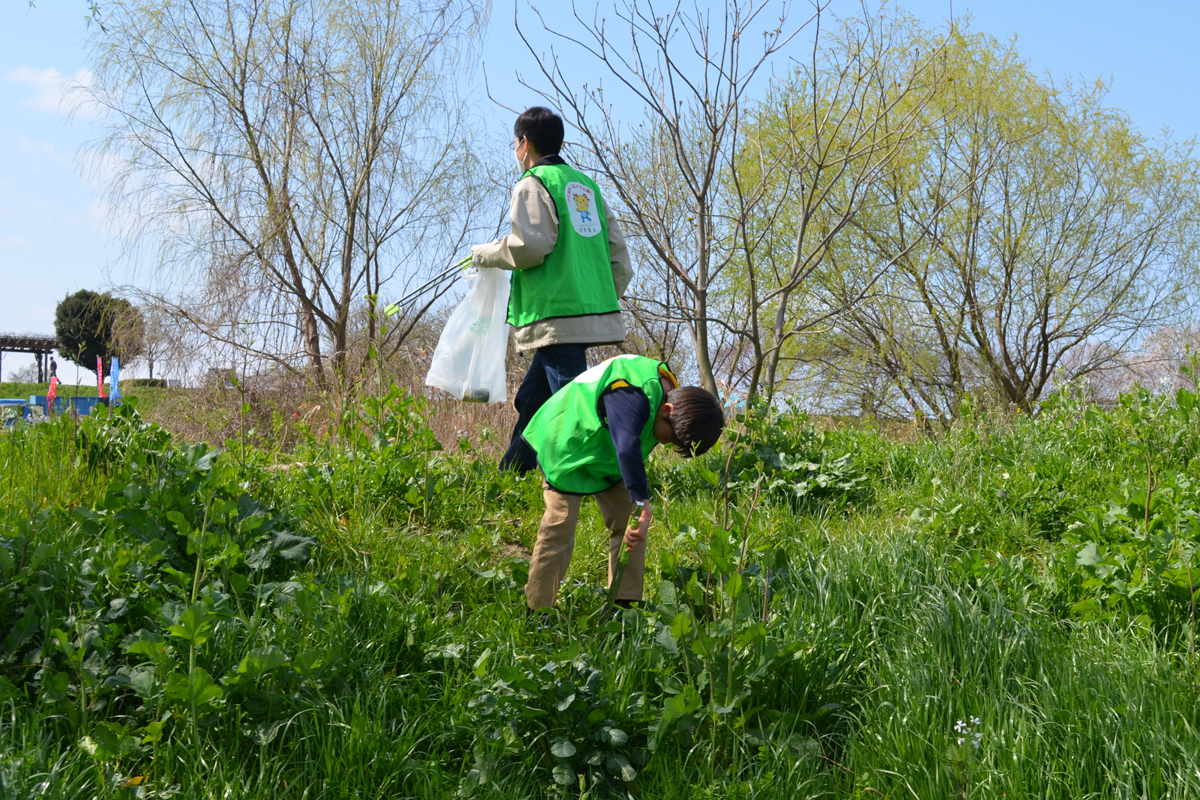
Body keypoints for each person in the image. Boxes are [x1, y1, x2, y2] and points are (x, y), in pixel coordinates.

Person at [471, 107, 633, 474]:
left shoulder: (532, 183)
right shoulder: (586, 187)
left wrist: (487, 253)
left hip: (554, 316)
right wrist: (596, 300)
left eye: (514, 143)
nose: (515, 150)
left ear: (524, 143)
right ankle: (512, 473)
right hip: (585, 313)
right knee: (532, 399)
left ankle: (600, 475)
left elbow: (530, 247)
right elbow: (620, 259)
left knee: (573, 405)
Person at [520, 354, 724, 612]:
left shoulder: (667, 393)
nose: (664, 443)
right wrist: (643, 502)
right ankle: (538, 609)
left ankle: (624, 605)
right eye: (670, 437)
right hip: (567, 443)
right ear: (667, 410)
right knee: (560, 525)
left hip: (607, 456)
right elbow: (627, 445)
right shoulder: (632, 393)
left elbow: (628, 449)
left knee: (633, 523)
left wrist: (638, 508)